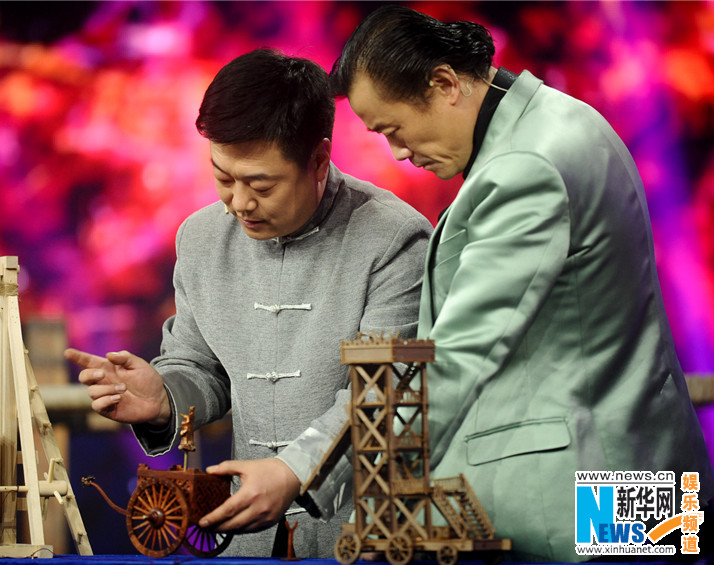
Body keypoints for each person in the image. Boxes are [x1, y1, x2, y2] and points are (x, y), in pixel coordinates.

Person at [323, 5, 714, 562]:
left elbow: (455, 359)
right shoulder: (566, 119)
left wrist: (318, 478)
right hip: (644, 470)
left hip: (590, 498)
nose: (399, 153)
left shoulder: (525, 166)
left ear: (444, 83)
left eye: (393, 129)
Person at [65, 47, 432, 558]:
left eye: (261, 184)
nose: (239, 202)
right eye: (223, 177)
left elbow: (383, 394)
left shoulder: (394, 240)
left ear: (319, 160)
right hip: (249, 543)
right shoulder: (200, 239)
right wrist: (164, 397)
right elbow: (200, 366)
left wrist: (293, 470)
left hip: (363, 537)